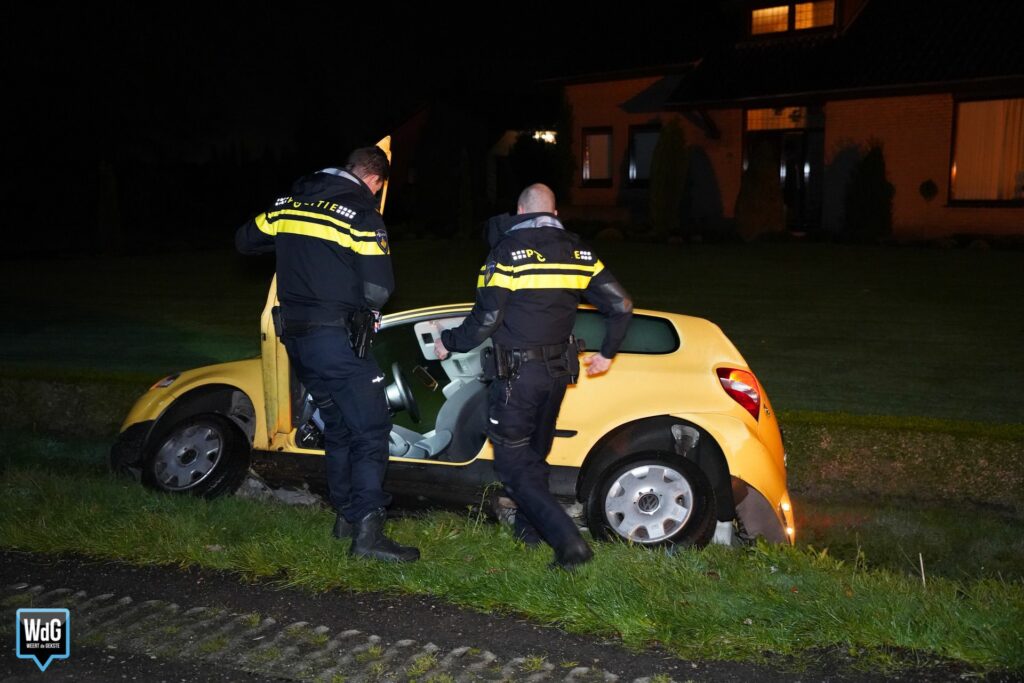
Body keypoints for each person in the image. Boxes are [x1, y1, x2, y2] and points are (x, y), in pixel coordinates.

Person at [433, 183, 633, 570]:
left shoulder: (508, 252)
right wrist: (607, 354)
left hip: (516, 380)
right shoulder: (580, 253)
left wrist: (449, 342)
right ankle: (529, 531)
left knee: (511, 465)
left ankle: (568, 543)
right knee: (534, 456)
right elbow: (621, 304)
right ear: (555, 214)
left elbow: (486, 320)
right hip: (557, 375)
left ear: (519, 209)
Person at [236, 146, 419, 563]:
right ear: (376, 181)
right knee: (371, 430)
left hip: (297, 339)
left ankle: (344, 518)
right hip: (336, 340)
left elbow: (246, 241)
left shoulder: (291, 202)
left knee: (338, 425)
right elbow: (378, 288)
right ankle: (369, 534)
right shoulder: (362, 214)